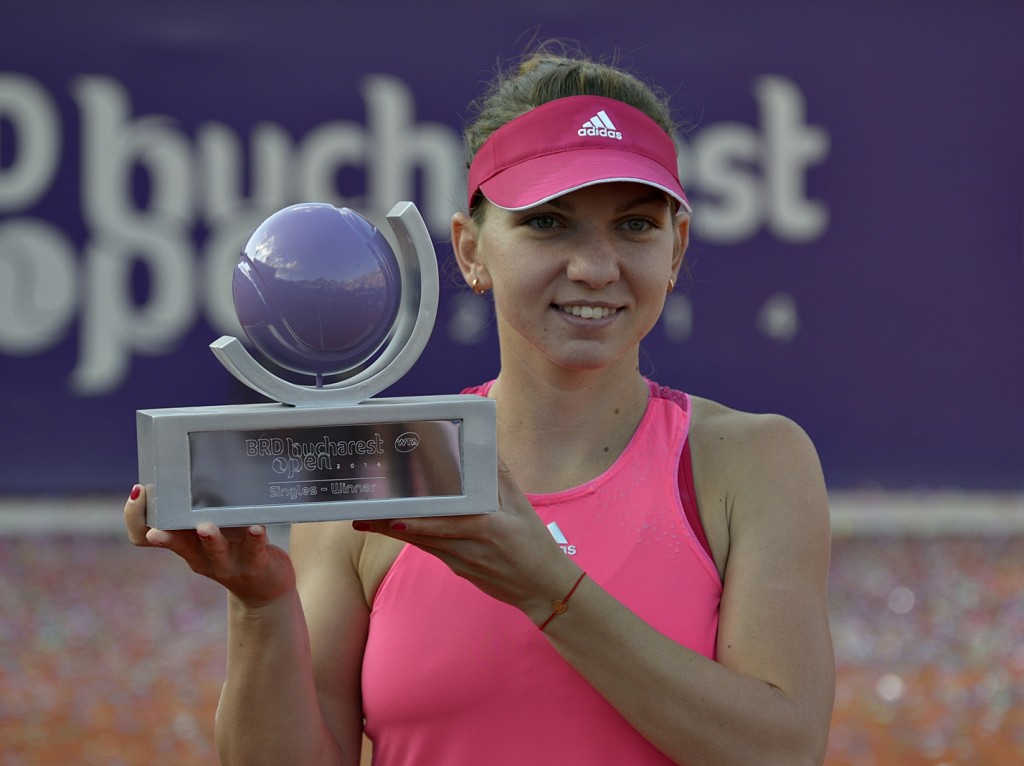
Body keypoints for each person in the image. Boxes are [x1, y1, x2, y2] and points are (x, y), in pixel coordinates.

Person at [125, 48, 835, 766]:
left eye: (635, 226)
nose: (595, 267)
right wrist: (260, 606)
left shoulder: (751, 463)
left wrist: (549, 591)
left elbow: (783, 752)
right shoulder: (373, 468)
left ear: (676, 249)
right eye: (548, 223)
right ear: (470, 251)